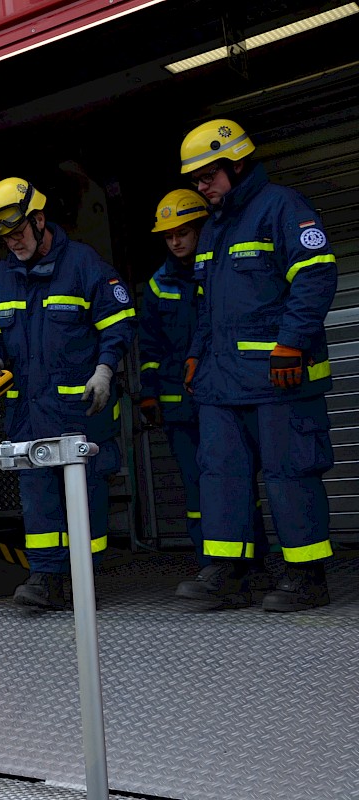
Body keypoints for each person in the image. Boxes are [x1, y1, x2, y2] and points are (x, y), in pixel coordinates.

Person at [177, 119, 337, 612]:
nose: (200, 187)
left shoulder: (282, 208)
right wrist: (195, 355)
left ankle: (306, 576)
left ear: (237, 163)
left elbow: (315, 277)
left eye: (208, 175)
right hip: (222, 383)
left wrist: (291, 343)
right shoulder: (215, 230)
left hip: (278, 378)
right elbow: (209, 306)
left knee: (290, 475)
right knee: (220, 476)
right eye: (196, 179)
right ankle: (230, 573)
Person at [0, 177, 137, 610]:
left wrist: (105, 371)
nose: (12, 243)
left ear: (39, 219)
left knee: (87, 498)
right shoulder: (2, 276)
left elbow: (118, 325)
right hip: (28, 414)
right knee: (38, 499)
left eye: (17, 232)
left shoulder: (85, 266)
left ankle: (83, 580)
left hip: (79, 412)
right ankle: (45, 579)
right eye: (4, 237)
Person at [138, 190, 271, 595]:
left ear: (201, 228)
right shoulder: (159, 285)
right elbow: (150, 346)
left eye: (183, 232)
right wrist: (149, 394)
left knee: (240, 482)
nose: (176, 242)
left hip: (228, 395)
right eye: (168, 236)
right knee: (198, 491)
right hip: (182, 408)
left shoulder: (219, 271)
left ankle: (255, 564)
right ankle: (213, 567)